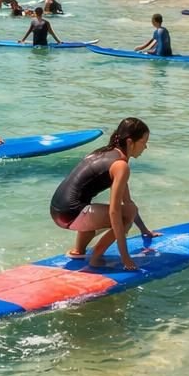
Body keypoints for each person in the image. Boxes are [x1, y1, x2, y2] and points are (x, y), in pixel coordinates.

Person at [50, 116, 159, 270]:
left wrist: (144, 230)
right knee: (123, 216)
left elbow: (127, 201)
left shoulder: (105, 153)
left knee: (118, 209)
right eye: (143, 142)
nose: (145, 147)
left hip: (58, 211)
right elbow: (116, 212)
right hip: (74, 213)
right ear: (130, 142)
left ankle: (78, 251)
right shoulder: (120, 166)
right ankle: (95, 257)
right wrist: (126, 258)